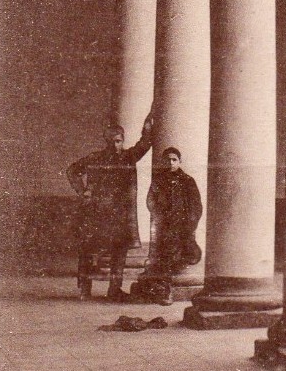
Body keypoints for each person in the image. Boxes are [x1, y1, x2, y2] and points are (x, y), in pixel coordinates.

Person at [66, 114, 154, 300]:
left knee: (119, 251)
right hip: (97, 213)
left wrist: (147, 128)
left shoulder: (129, 157)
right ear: (106, 141)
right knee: (89, 250)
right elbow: (72, 170)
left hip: (120, 215)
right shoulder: (96, 158)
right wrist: (83, 191)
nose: (116, 145)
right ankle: (85, 290)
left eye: (119, 141)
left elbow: (144, 145)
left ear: (123, 140)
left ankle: (114, 289)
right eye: (112, 141)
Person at [144, 147, 203, 305]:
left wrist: (190, 225)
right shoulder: (158, 181)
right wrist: (160, 218)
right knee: (164, 257)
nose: (171, 163)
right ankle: (165, 291)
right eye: (168, 160)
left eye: (174, 159)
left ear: (179, 161)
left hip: (183, 226)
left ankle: (167, 289)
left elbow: (196, 206)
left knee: (184, 254)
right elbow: (151, 201)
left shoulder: (188, 181)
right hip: (165, 226)